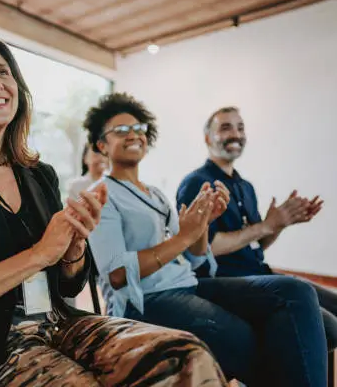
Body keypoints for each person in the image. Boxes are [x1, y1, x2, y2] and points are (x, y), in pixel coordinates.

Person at [0, 33, 229, 387]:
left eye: (4, 73)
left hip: (56, 323)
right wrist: (38, 254)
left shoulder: (38, 175)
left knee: (185, 355)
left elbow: (69, 282)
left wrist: (73, 250)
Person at [85, 92, 328, 387]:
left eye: (139, 129)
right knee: (251, 339)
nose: (133, 135)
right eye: (121, 131)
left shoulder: (156, 195)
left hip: (189, 284)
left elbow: (196, 260)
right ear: (101, 145)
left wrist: (203, 226)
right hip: (146, 300)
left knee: (294, 290)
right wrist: (185, 236)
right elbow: (118, 275)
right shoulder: (100, 196)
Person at [176, 106, 337, 351]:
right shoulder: (196, 183)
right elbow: (205, 248)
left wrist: (280, 224)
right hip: (226, 282)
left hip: (261, 273)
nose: (236, 134)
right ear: (207, 138)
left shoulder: (246, 187)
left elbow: (256, 244)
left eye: (240, 128)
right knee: (330, 329)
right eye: (226, 127)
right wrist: (266, 225)